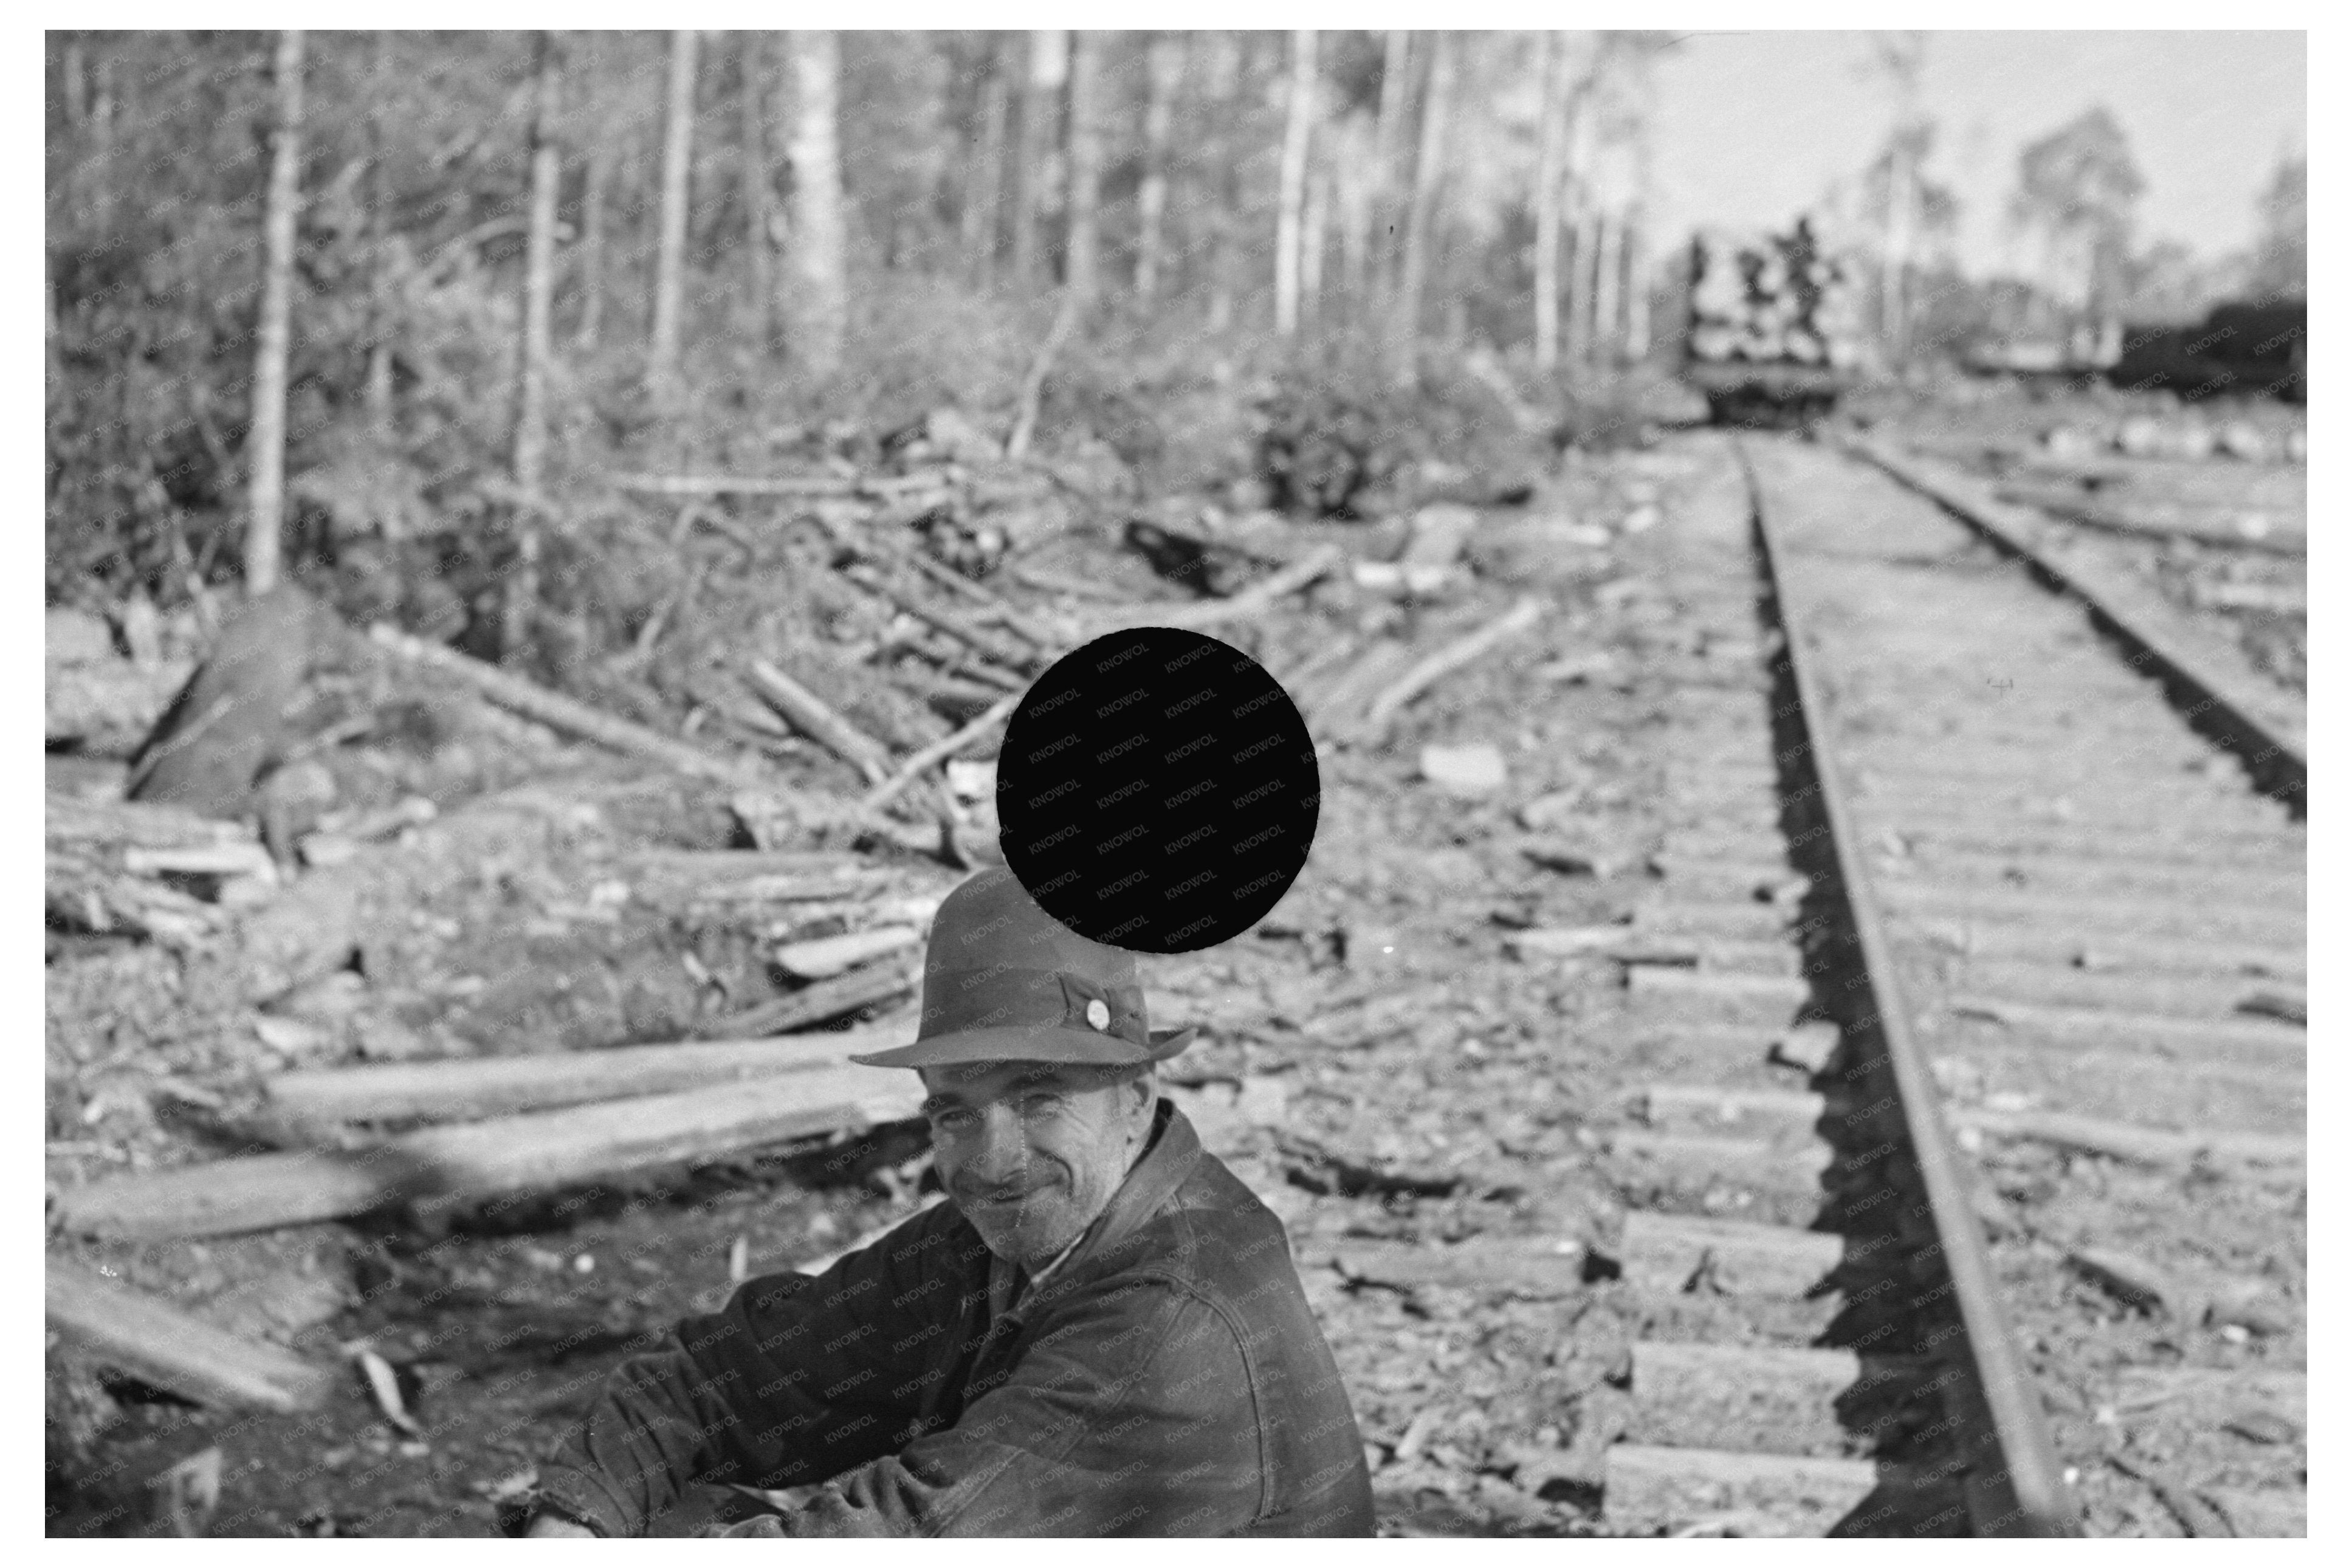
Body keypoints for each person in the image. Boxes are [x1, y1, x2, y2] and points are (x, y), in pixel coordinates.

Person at [511, 867, 1373, 1538]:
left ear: (1134, 1097)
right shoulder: (1001, 1246)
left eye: (1038, 1100)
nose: (993, 1161)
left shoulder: (1170, 1321)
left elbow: (907, 1533)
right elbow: (722, 1378)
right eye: (954, 1111)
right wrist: (573, 1516)